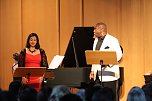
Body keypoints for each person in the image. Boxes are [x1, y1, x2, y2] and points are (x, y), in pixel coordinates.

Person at [89, 22, 123, 101]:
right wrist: (92, 71)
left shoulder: (113, 40)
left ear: (101, 30)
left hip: (109, 75)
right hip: (98, 76)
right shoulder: (95, 41)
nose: (93, 31)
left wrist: (108, 62)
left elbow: (119, 54)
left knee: (111, 98)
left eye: (95, 29)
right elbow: (94, 56)